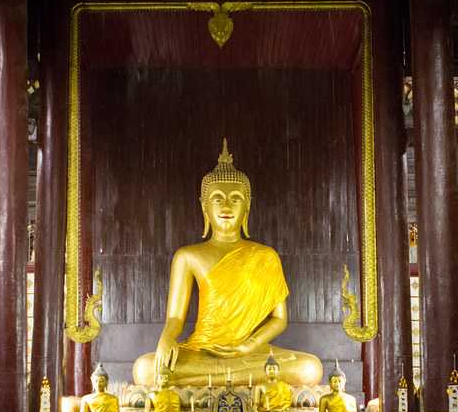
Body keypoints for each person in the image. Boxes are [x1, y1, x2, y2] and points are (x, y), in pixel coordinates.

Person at [132, 139, 322, 387]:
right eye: (218, 198)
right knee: (145, 368)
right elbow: (176, 318)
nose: (226, 205)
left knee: (309, 368)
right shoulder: (188, 256)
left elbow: (279, 319)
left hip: (252, 354)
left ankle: (216, 381)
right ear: (204, 207)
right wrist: (167, 339)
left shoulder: (265, 255)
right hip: (203, 351)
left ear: (247, 207)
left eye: (235, 198)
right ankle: (236, 381)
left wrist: (248, 346)